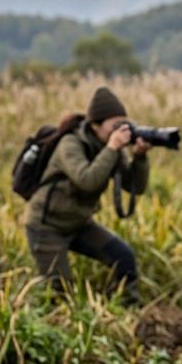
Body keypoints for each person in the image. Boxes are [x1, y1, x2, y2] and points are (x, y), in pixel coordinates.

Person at [24, 86, 150, 303]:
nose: (122, 131)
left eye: (124, 124)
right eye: (115, 126)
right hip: (47, 226)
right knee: (60, 293)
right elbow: (87, 180)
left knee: (123, 257)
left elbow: (135, 187)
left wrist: (139, 157)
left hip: (78, 223)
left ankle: (127, 314)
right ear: (95, 125)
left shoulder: (109, 147)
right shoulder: (70, 144)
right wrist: (112, 149)